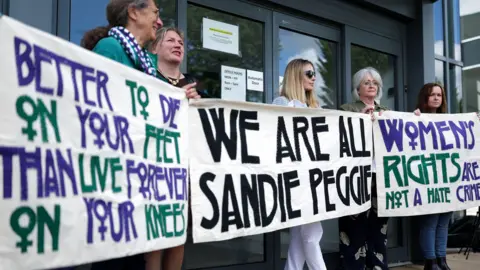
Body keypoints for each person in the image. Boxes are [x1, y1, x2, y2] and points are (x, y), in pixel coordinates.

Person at [81, 1, 198, 270]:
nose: (158, 22)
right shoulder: (110, 49)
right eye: (155, 13)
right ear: (134, 12)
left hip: (135, 182)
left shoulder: (142, 60)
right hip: (119, 183)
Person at [272, 58, 327, 270]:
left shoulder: (316, 106)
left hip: (313, 176)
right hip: (296, 176)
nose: (314, 78)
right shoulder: (281, 103)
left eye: (314, 74)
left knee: (300, 235)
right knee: (312, 234)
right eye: (309, 74)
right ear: (296, 76)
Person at [338, 67, 389, 270]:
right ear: (357, 88)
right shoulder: (346, 109)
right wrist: (360, 118)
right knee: (354, 226)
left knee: (379, 227)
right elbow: (340, 136)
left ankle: (377, 265)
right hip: (356, 176)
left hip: (381, 175)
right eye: (366, 82)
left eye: (375, 83)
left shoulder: (385, 110)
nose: (371, 86)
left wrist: (416, 118)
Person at [413, 83, 451, 270]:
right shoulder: (414, 117)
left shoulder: (451, 121)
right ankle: (430, 261)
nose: (436, 98)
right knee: (430, 220)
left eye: (439, 95)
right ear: (424, 97)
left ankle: (442, 259)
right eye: (432, 95)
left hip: (447, 177)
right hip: (427, 177)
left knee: (444, 220)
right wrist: (414, 119)